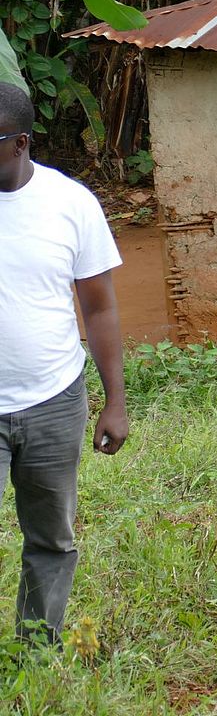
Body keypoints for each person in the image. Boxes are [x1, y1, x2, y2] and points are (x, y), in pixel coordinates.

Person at [0, 83, 128, 644]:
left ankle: (36, 652)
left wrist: (115, 402)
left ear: (20, 143)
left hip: (54, 400)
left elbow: (98, 309)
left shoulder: (71, 203)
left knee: (51, 536)